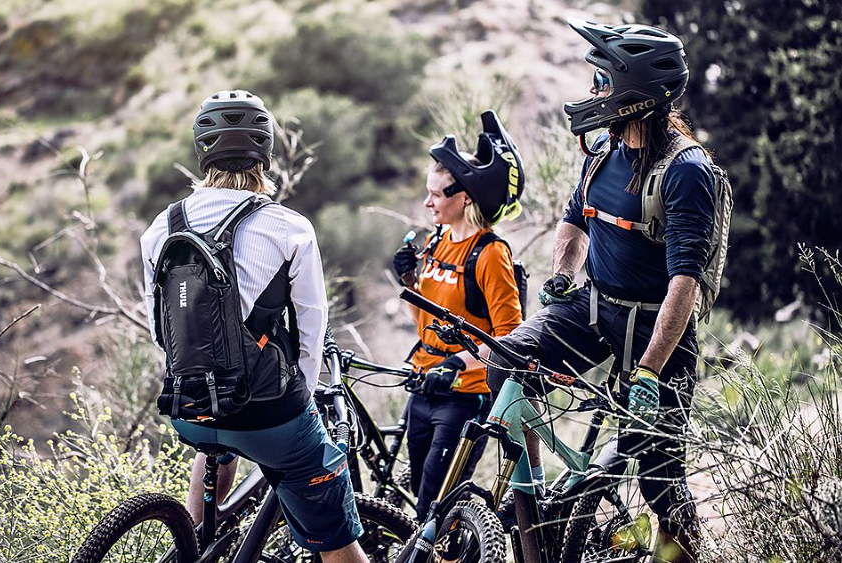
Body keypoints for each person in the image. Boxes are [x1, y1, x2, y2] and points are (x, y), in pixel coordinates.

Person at [487, 20, 713, 563]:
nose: (592, 94)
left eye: (602, 82)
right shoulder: (602, 150)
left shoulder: (686, 172)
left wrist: (651, 371)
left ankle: (681, 555)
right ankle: (532, 503)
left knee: (661, 479)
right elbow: (573, 221)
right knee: (505, 361)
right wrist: (562, 275)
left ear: (634, 93)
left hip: (660, 329)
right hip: (593, 308)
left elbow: (686, 281)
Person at [140, 90, 367, 563]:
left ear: (202, 151)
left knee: (216, 439)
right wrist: (299, 397)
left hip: (189, 405)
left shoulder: (159, 229)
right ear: (264, 151)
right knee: (334, 530)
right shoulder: (289, 227)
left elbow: (160, 328)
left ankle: (193, 548)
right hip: (270, 414)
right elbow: (311, 323)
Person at [392, 111, 526, 520]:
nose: (427, 201)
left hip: (464, 394)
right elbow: (428, 315)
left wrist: (457, 362)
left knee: (434, 502)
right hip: (424, 383)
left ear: (464, 196)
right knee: (420, 492)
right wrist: (409, 279)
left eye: (436, 193)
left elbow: (510, 336)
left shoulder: (491, 254)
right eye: (427, 192)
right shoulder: (437, 240)